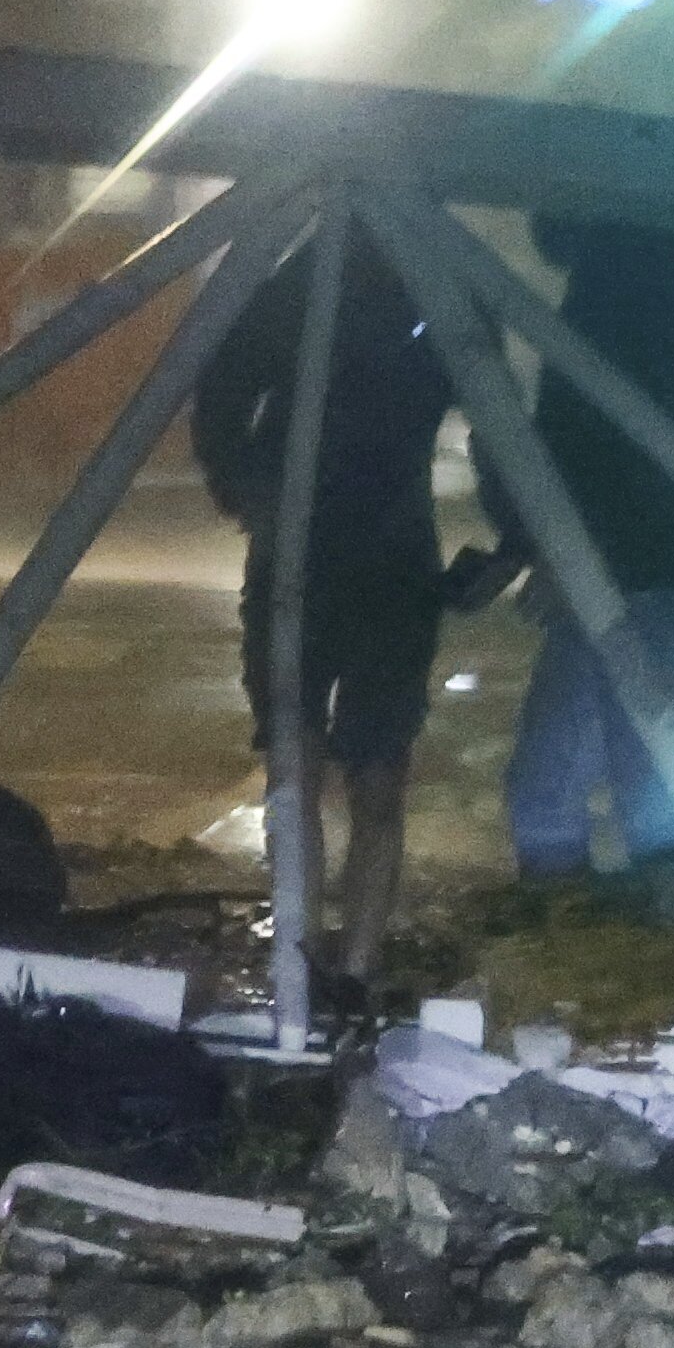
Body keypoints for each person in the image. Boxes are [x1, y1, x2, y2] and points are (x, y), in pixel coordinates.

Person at [192, 240, 460, 990]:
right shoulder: (426, 286)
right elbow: (495, 406)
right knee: (353, 773)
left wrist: (241, 483)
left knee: (308, 767)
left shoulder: (304, 282)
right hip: (376, 555)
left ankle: (308, 965)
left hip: (326, 555)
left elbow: (222, 389)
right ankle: (337, 965)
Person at [496, 218, 674, 874]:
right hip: (657, 566)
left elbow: (599, 448)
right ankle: (646, 950)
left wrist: (558, 551)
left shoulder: (613, 291)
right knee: (636, 800)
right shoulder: (649, 289)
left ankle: (620, 954)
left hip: (639, 573)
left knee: (598, 802)